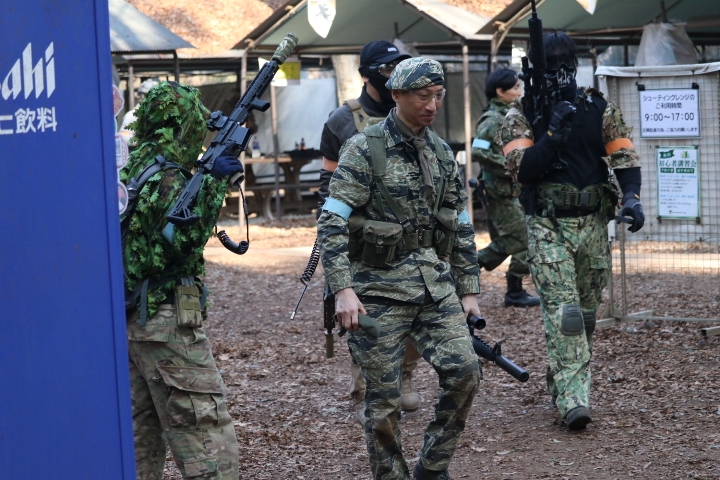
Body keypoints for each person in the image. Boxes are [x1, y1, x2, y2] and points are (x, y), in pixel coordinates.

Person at [317, 57, 481, 480]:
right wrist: (343, 289)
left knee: (465, 373)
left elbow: (460, 222)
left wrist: (469, 290)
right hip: (377, 291)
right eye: (423, 96)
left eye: (438, 96)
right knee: (384, 403)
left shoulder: (441, 152)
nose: (432, 105)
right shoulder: (364, 148)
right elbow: (332, 221)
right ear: (397, 95)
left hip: (433, 287)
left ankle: (432, 467)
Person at [499, 32, 645, 430]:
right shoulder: (521, 114)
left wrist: (632, 198)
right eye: (552, 63)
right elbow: (524, 171)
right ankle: (574, 399)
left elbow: (624, 157)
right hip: (548, 224)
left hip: (593, 224)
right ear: (537, 68)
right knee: (566, 314)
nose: (561, 70)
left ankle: (562, 379)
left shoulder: (597, 106)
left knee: (586, 315)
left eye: (567, 61)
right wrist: (552, 135)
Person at [121, 81, 243, 479]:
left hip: (132, 321)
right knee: (204, 430)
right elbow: (182, 244)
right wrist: (215, 183)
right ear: (183, 126)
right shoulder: (169, 178)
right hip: (165, 324)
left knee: (139, 439)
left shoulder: (133, 168)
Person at [318, 40, 423, 424]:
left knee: (416, 311)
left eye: (398, 67)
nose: (393, 75)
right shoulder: (342, 120)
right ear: (366, 74)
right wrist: (333, 237)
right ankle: (368, 383)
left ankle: (405, 374)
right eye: (385, 69)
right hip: (362, 237)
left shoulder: (415, 113)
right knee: (364, 314)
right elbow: (327, 185)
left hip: (409, 236)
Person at [472, 67, 540, 308]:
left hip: (509, 190)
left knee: (514, 239)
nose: (519, 92)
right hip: (498, 192)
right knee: (521, 238)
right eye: (515, 88)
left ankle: (514, 291)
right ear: (500, 91)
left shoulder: (509, 114)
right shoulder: (493, 119)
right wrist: (510, 165)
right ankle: (468, 268)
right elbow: (478, 150)